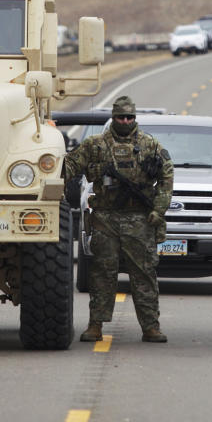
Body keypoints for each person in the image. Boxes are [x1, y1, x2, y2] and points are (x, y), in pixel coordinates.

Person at [63, 96, 174, 343]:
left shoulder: (150, 145)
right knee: (102, 272)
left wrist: (158, 210)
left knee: (144, 273)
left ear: (135, 118)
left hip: (140, 220)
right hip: (105, 219)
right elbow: (69, 166)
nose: (125, 121)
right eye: (121, 117)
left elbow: (166, 179)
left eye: (130, 117)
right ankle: (95, 325)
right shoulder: (95, 144)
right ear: (113, 118)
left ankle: (151, 327)